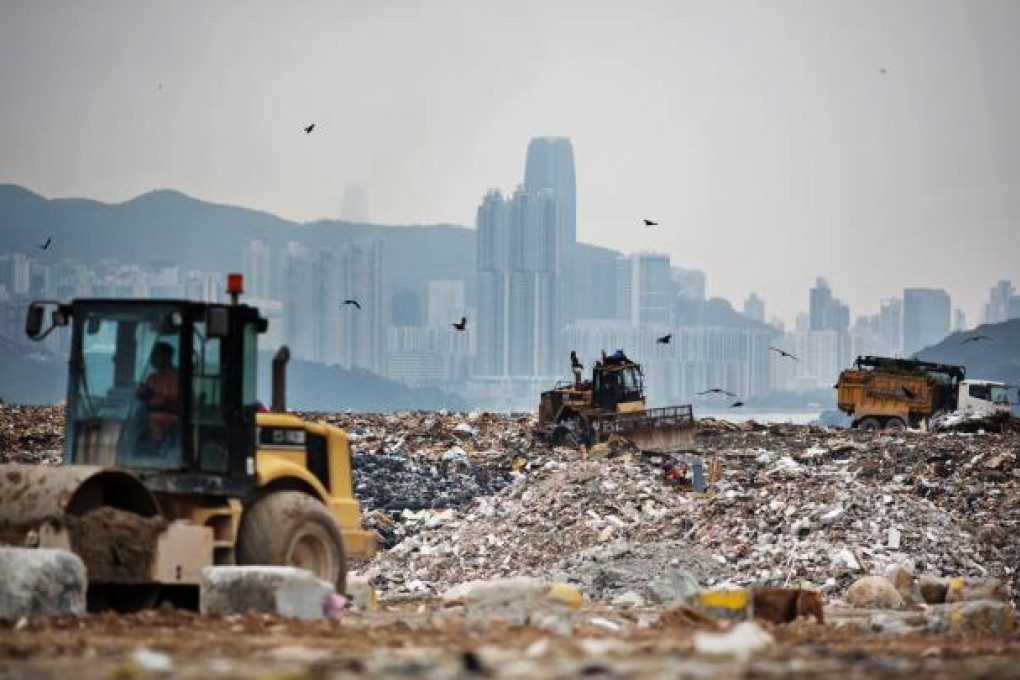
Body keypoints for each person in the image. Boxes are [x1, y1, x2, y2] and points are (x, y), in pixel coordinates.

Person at [137, 341, 179, 442]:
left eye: (155, 355)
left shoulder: (177, 378)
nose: (152, 359)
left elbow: (176, 402)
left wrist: (156, 397)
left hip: (169, 418)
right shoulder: (152, 378)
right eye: (152, 356)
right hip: (149, 417)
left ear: (166, 357)